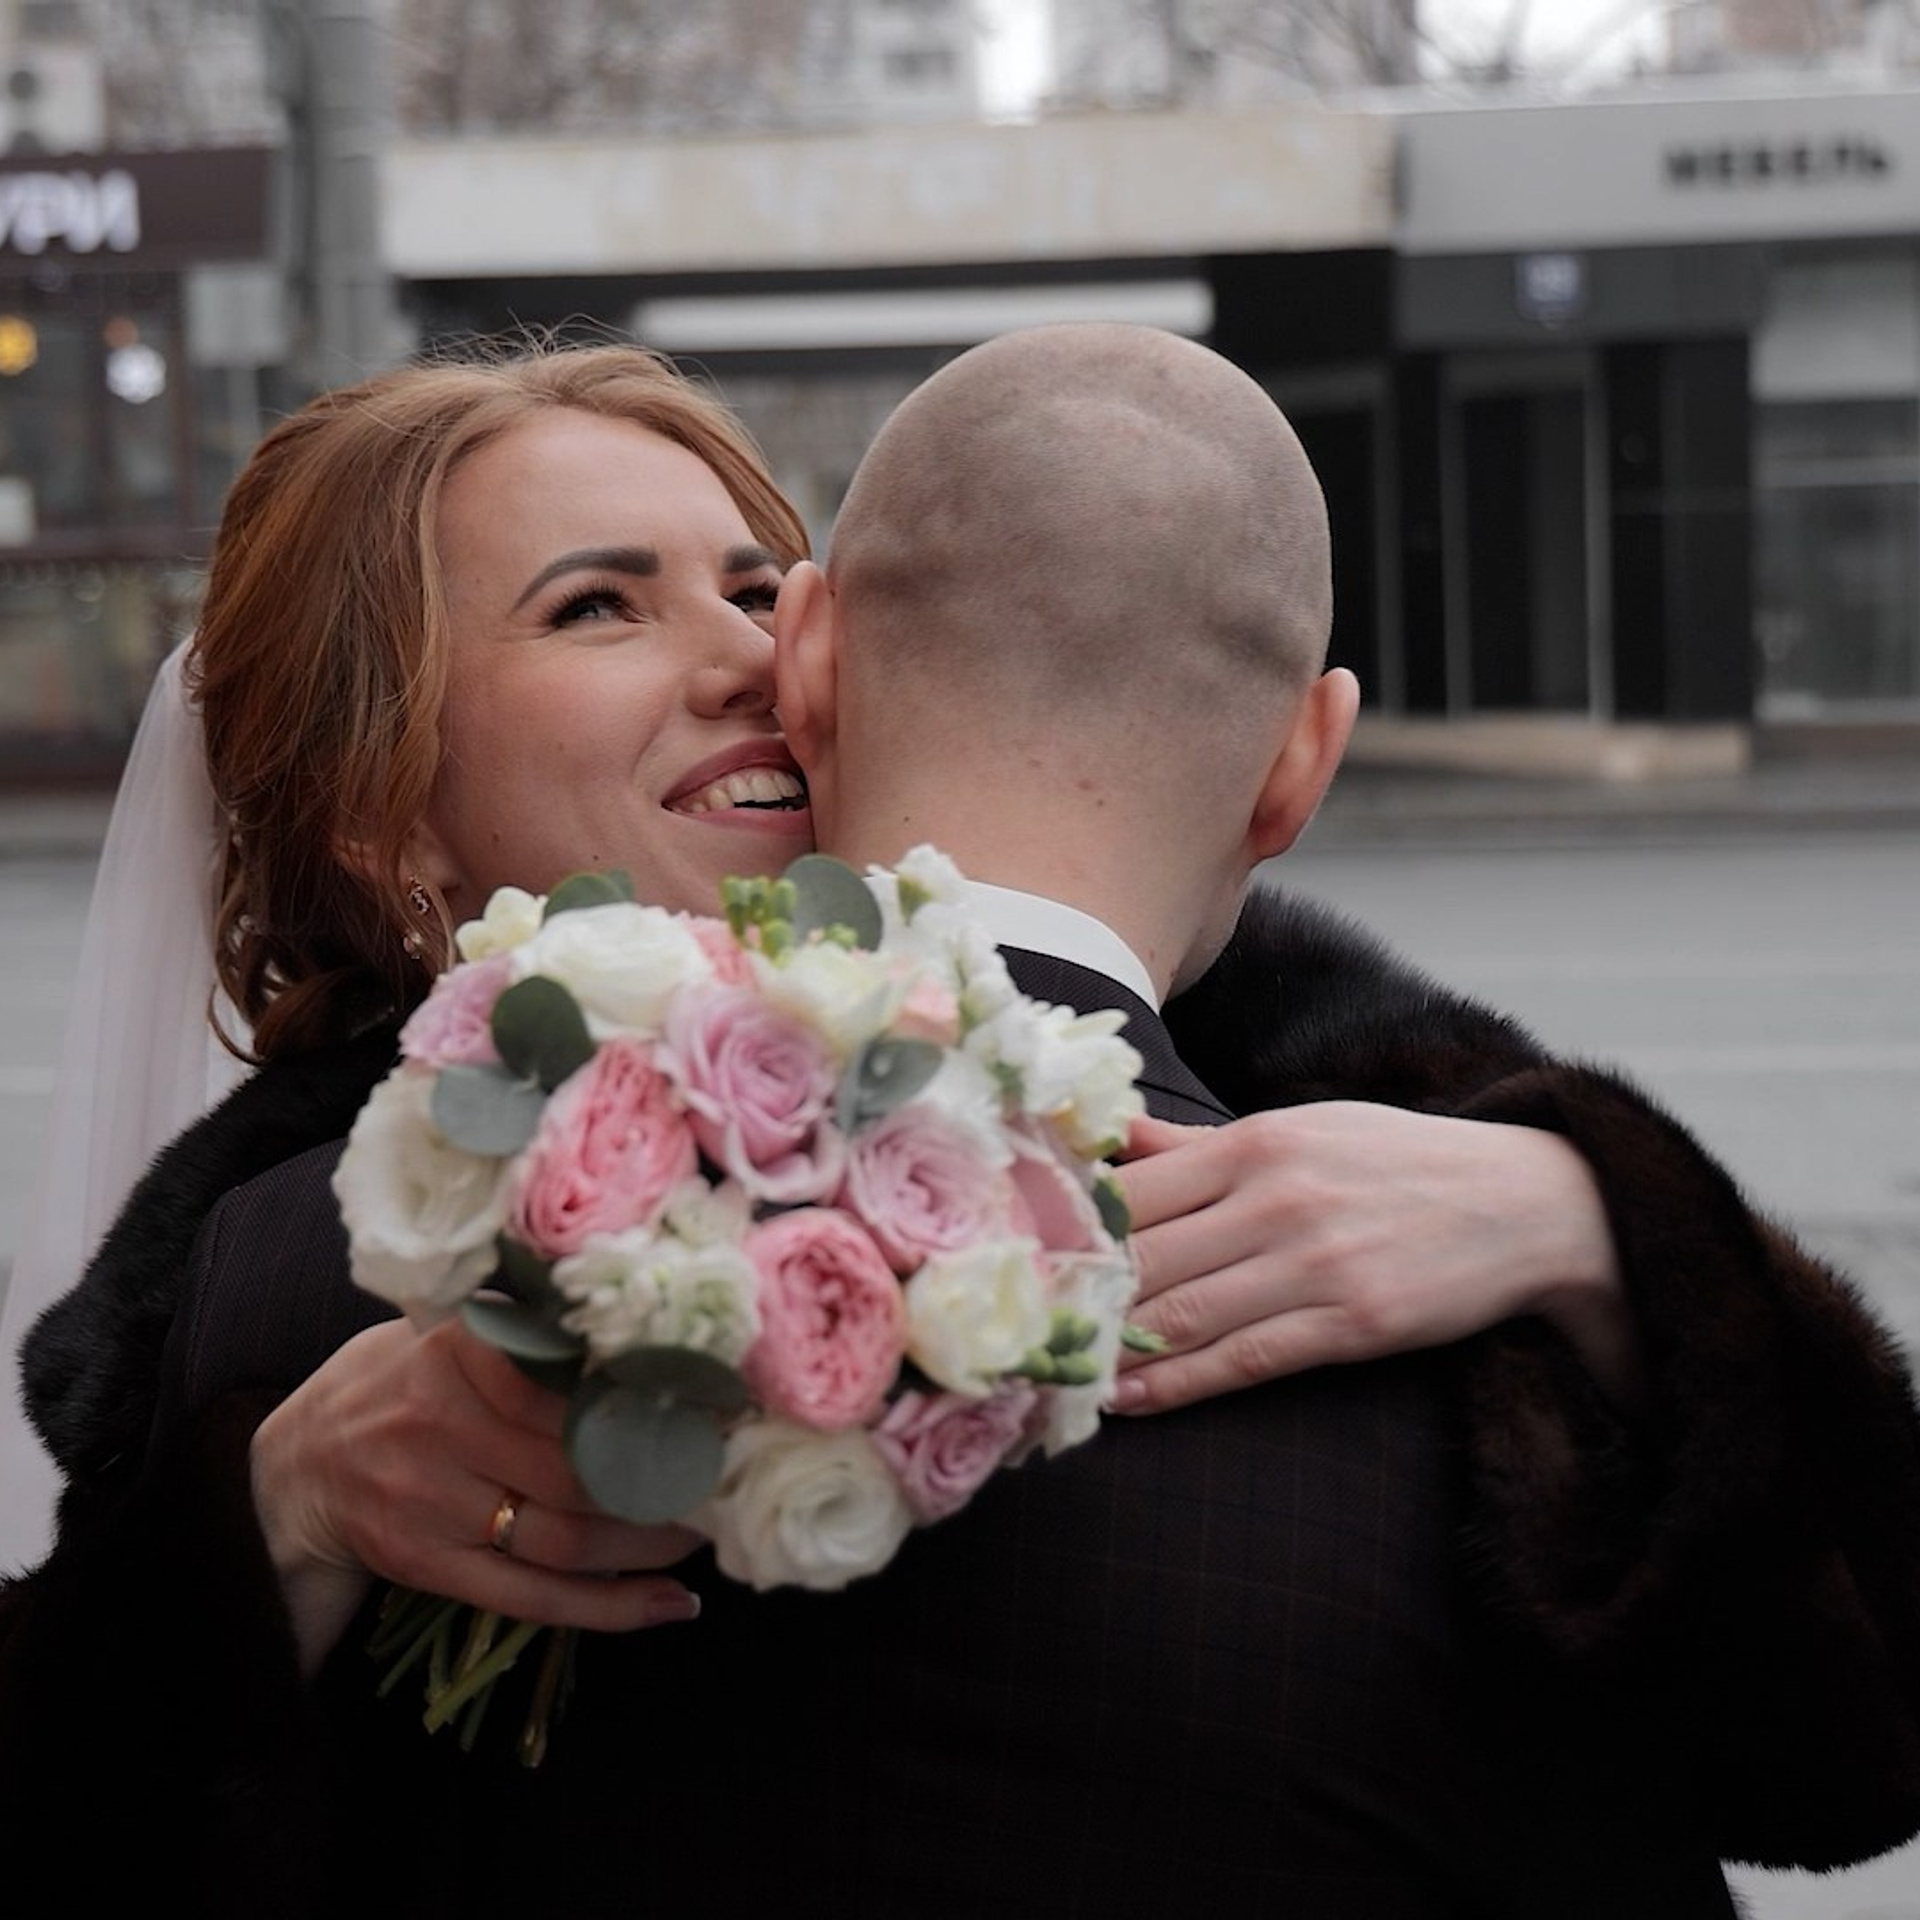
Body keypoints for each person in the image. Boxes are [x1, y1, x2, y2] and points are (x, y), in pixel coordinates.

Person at [0, 337, 1911, 1911]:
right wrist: (267, 1533)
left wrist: (1619, 1240)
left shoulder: (1386, 1153)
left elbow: (1839, 1730)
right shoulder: (290, 1293)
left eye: (760, 585)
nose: (743, 656)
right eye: (598, 604)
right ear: (386, 816)